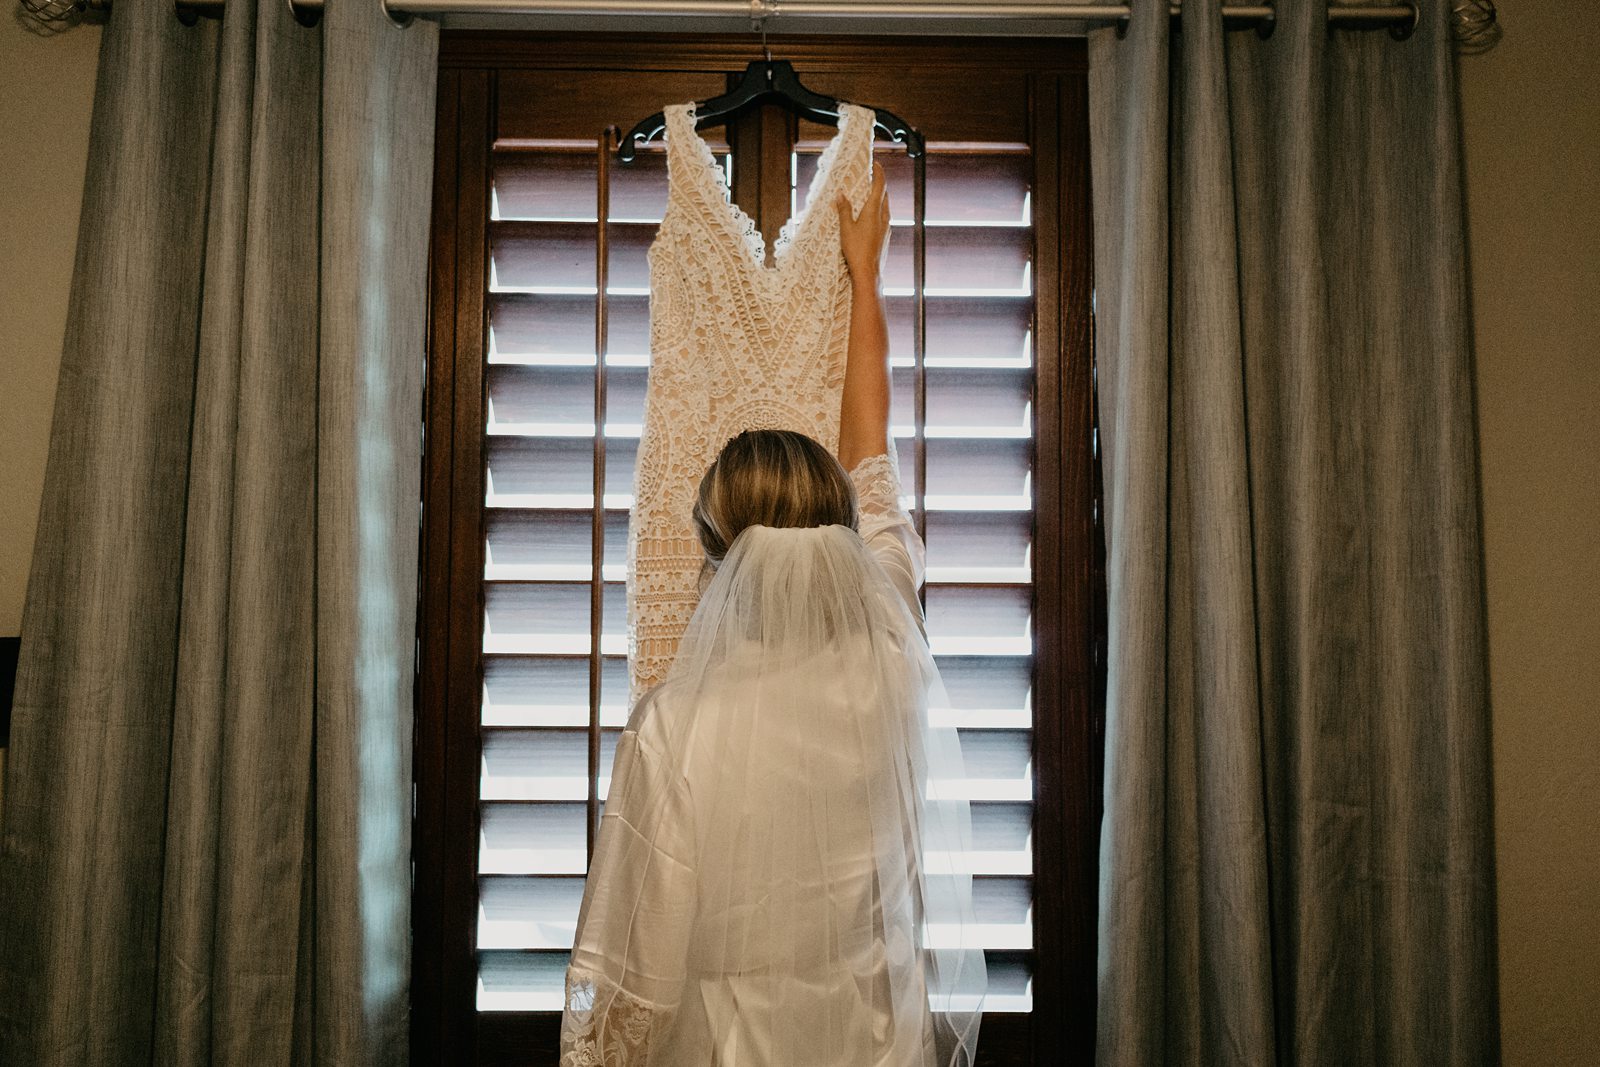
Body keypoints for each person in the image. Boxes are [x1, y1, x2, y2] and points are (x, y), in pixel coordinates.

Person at [559, 164, 986, 1066]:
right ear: (836, 537)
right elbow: (871, 455)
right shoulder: (892, 657)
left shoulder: (673, 729)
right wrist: (864, 278)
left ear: (721, 560)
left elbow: (635, 980)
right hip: (875, 1043)